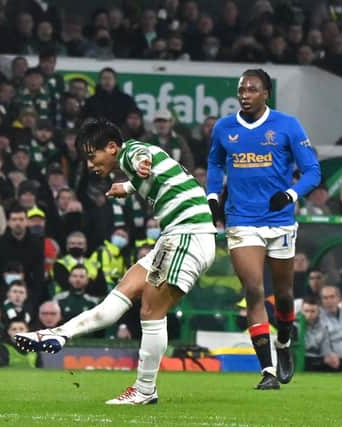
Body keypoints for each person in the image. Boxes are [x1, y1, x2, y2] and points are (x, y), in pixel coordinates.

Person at [16, 117, 216, 404]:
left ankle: (145, 389)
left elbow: (141, 157)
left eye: (91, 155)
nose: (89, 164)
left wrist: (139, 167)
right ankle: (58, 334)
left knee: (151, 312)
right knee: (119, 296)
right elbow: (153, 173)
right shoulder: (134, 166)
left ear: (111, 147)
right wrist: (130, 186)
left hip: (188, 235)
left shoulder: (134, 151)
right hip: (174, 238)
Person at [206, 69, 321, 389]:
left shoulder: (287, 125)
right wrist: (213, 196)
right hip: (241, 220)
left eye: (252, 89)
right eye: (241, 89)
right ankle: (267, 370)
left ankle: (284, 340)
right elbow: (215, 164)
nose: (245, 94)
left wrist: (291, 194)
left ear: (266, 93)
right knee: (254, 289)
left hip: (280, 220)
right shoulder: (224, 127)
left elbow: (313, 170)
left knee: (283, 295)